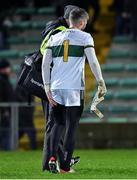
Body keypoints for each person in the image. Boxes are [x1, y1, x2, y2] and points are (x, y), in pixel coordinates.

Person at [42, 7, 107, 173]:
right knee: (71, 127)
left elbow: (45, 64)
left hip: (55, 87)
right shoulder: (85, 37)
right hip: (74, 88)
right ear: (83, 22)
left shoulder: (54, 37)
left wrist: (47, 87)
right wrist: (100, 81)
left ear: (69, 20)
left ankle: (52, 158)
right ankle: (64, 167)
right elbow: (93, 62)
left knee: (57, 124)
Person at [39, 5, 80, 171]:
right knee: (55, 124)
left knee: (55, 123)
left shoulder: (52, 26)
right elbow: (48, 52)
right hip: (55, 82)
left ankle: (60, 158)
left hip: (49, 81)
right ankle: (51, 162)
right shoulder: (61, 31)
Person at [15, 84, 37, 150]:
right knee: (31, 132)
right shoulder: (21, 87)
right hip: (24, 114)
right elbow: (26, 100)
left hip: (25, 114)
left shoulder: (26, 87)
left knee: (22, 132)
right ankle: (33, 147)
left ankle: (33, 147)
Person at [0, 59, 14, 150]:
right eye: (8, 67)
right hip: (4, 112)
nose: (9, 70)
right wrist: (4, 110)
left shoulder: (4, 79)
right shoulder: (1, 80)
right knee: (5, 132)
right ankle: (5, 149)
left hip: (6, 111)